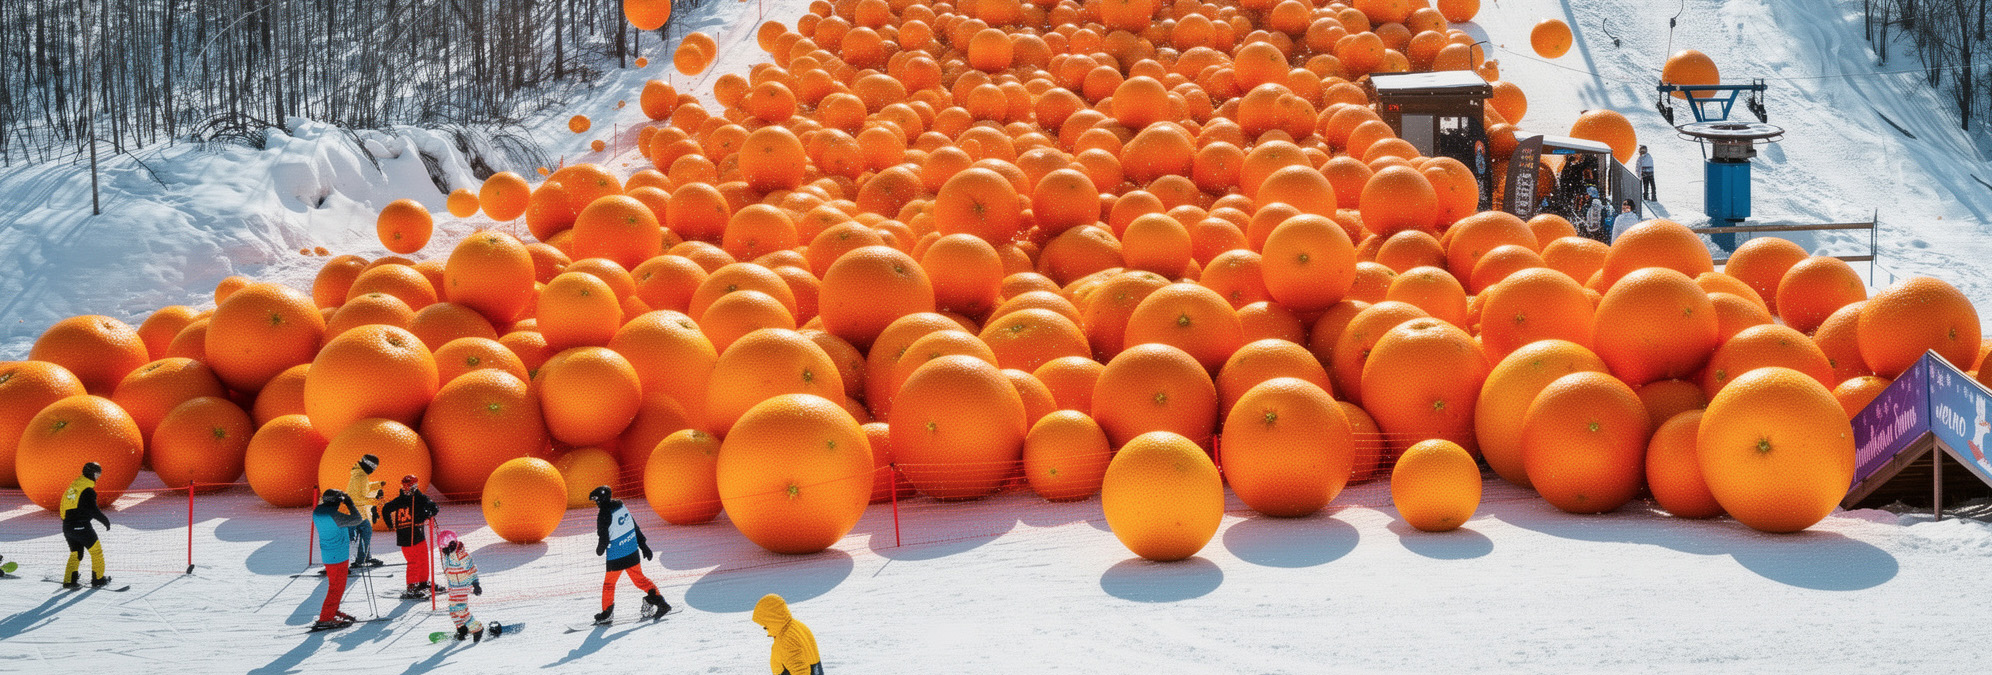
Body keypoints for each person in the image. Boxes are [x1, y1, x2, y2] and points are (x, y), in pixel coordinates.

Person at [591, 485, 669, 624]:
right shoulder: (621, 506)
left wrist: (600, 549)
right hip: (632, 551)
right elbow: (634, 526)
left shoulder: (603, 513)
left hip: (616, 556)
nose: (596, 504)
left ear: (601, 499)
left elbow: (604, 536)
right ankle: (660, 602)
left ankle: (607, 613)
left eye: (597, 500)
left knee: (609, 584)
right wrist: (643, 545)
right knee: (640, 580)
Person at [311, 489, 366, 631]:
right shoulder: (334, 516)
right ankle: (326, 618)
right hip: (338, 556)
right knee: (336, 588)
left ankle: (332, 611)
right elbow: (357, 519)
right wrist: (349, 503)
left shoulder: (318, 511)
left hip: (329, 555)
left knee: (335, 586)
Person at [380, 474, 439, 598]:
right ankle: (411, 586)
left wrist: (429, 512)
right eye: (404, 486)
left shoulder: (419, 498)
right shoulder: (400, 500)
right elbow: (386, 509)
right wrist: (390, 524)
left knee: (423, 559)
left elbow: (434, 506)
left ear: (415, 486)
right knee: (412, 562)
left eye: (409, 486)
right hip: (405, 536)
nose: (406, 489)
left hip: (418, 534)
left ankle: (423, 583)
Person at [59, 462, 112, 588]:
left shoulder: (74, 486)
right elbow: (93, 510)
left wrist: (67, 523)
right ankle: (98, 579)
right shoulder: (87, 490)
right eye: (98, 474)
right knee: (96, 552)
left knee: (76, 553)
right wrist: (105, 521)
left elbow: (63, 505)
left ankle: (69, 580)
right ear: (92, 474)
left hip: (67, 526)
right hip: (82, 527)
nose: (98, 477)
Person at [753, 594, 823, 675]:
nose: (764, 627)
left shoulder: (786, 640)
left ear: (772, 619)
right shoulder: (796, 625)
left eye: (765, 623)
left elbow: (800, 671)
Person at [436, 530, 486, 642]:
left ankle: (477, 628)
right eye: (442, 548)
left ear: (453, 544)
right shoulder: (447, 555)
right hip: (453, 588)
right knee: (453, 610)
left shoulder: (461, 555)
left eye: (446, 548)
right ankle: (462, 628)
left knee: (461, 609)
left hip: (463, 586)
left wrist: (476, 584)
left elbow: (471, 569)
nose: (444, 551)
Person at [346, 454, 384, 567]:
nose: (373, 470)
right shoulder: (361, 477)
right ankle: (337, 562)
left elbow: (364, 488)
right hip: (357, 513)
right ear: (369, 466)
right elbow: (358, 497)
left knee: (363, 533)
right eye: (373, 467)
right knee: (361, 533)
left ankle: (364, 558)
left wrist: (378, 485)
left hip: (356, 512)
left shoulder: (358, 474)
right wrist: (375, 502)